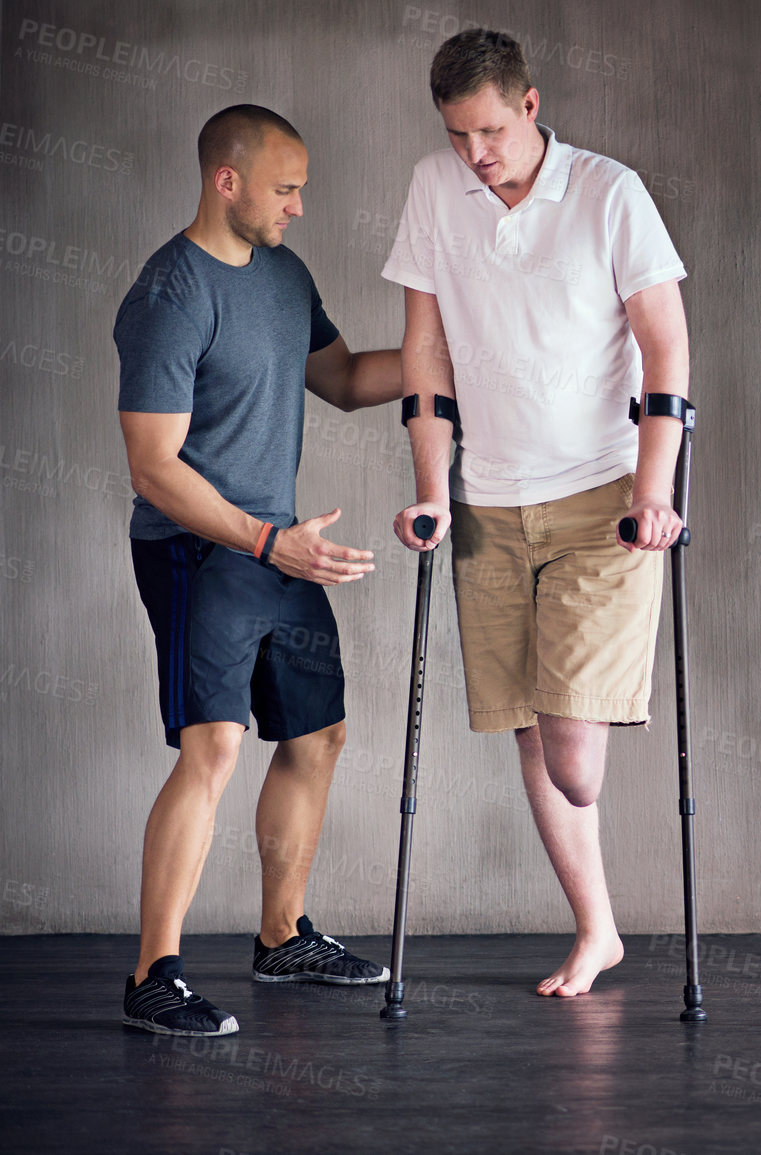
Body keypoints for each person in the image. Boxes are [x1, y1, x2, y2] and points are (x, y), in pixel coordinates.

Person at [384, 28, 690, 997]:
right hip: (490, 501)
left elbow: (667, 349)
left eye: (488, 130)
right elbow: (424, 356)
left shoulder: (609, 193)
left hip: (604, 497)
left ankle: (602, 924)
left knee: (574, 762)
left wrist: (655, 493)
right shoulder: (437, 189)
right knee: (526, 729)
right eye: (455, 133)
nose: (474, 154)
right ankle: (596, 932)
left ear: (529, 104)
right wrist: (433, 489)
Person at [116, 104, 403, 1036]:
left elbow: (351, 378)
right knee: (216, 748)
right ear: (225, 181)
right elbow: (154, 467)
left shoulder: (285, 276)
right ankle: (152, 973)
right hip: (200, 546)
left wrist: (454, 353)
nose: (301, 207)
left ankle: (281, 937)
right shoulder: (170, 294)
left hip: (282, 542)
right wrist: (265, 541)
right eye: (287, 189)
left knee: (318, 734)